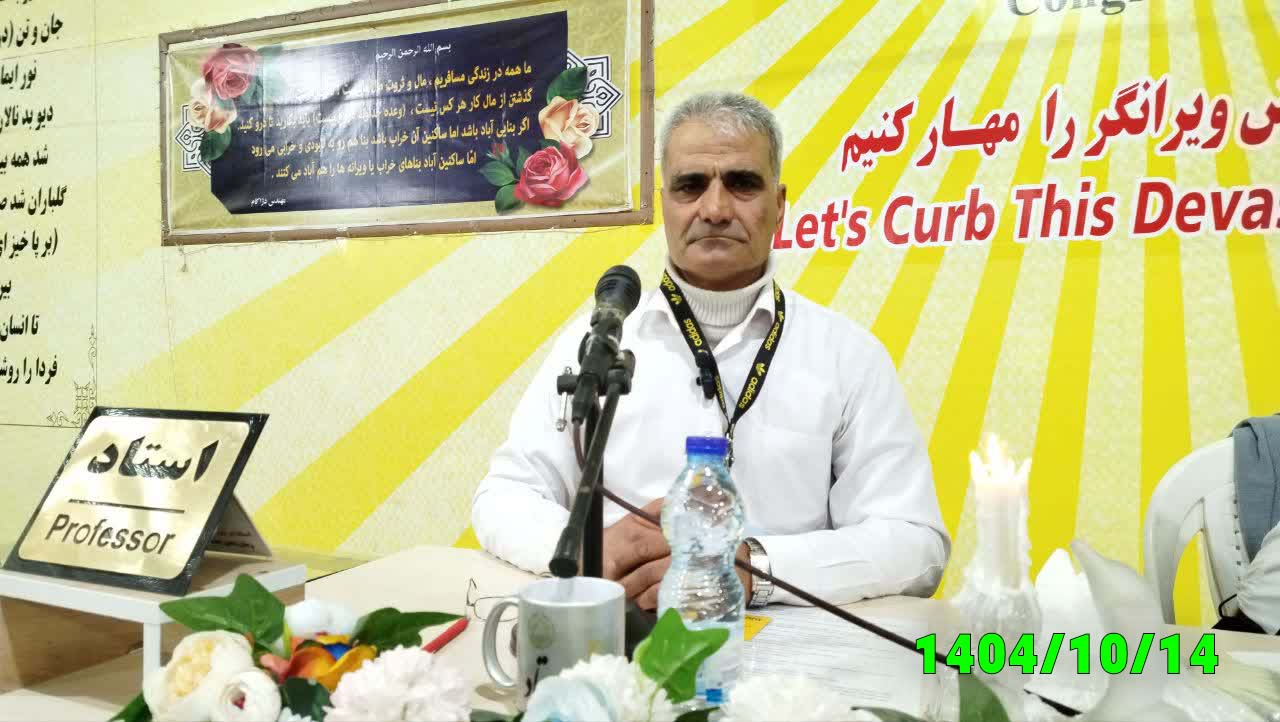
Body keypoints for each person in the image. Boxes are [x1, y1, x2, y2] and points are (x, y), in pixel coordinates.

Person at [471, 91, 950, 609]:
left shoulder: (848, 356)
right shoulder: (598, 346)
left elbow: (914, 542)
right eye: (690, 185)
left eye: (742, 184)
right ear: (664, 204)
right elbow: (503, 496)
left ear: (779, 204)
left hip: (787, 646)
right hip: (621, 632)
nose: (716, 209)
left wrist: (756, 569)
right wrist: (591, 551)